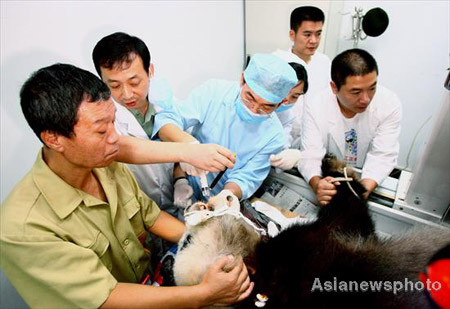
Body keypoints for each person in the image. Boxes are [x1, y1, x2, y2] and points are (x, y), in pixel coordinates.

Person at [0, 63, 253, 308]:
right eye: (101, 131)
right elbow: (106, 297)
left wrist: (210, 247)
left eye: (114, 122)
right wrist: (203, 294)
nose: (115, 138)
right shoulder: (25, 228)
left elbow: (150, 217)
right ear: (54, 138)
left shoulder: (105, 165)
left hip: (148, 284)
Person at [92, 32, 235, 217]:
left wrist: (180, 180)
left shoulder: (168, 104)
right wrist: (188, 151)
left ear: (150, 70)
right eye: (115, 86)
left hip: (173, 209)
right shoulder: (105, 120)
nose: (127, 94)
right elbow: (122, 148)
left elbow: (174, 154)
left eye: (134, 82)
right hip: (134, 214)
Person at [152, 54, 297, 204]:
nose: (254, 109)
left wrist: (227, 196)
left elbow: (247, 178)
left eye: (267, 106)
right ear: (242, 80)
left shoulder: (274, 136)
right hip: (183, 181)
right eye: (250, 97)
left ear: (281, 103)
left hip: (219, 197)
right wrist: (188, 155)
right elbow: (167, 122)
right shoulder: (214, 92)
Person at [298, 48, 402, 206]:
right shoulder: (316, 105)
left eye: (372, 88)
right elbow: (310, 154)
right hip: (330, 174)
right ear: (334, 87)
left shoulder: (388, 103)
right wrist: (318, 185)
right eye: (356, 92)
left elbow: (382, 155)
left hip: (364, 172)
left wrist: (362, 191)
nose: (366, 99)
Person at [272, 6, 332, 148]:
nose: (314, 41)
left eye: (318, 34)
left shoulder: (324, 62)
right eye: (307, 34)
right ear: (292, 34)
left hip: (313, 138)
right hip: (280, 133)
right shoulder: (277, 61)